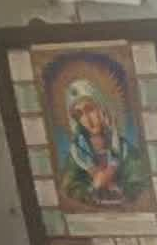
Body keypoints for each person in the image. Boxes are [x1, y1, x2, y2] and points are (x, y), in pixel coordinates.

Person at [59, 77, 148, 206]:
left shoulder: (124, 149)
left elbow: (140, 182)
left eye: (90, 109)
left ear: (103, 109)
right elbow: (68, 188)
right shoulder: (77, 154)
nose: (87, 119)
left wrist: (119, 189)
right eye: (79, 114)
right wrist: (93, 187)